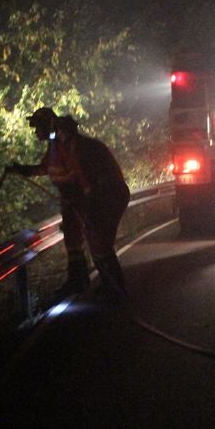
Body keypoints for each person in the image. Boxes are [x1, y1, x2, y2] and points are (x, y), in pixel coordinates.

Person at [6, 107, 90, 299]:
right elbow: (47, 167)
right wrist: (23, 170)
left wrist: (78, 193)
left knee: (74, 238)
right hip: (71, 196)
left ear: (46, 125)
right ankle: (80, 278)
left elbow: (74, 167)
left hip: (75, 196)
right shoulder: (56, 143)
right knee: (73, 239)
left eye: (37, 127)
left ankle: (79, 280)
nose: (35, 132)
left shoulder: (62, 141)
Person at [54, 116, 131, 299]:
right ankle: (112, 286)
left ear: (64, 133)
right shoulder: (81, 145)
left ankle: (116, 288)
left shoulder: (80, 149)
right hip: (108, 194)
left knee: (100, 242)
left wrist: (86, 208)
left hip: (108, 196)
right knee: (100, 242)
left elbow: (87, 184)